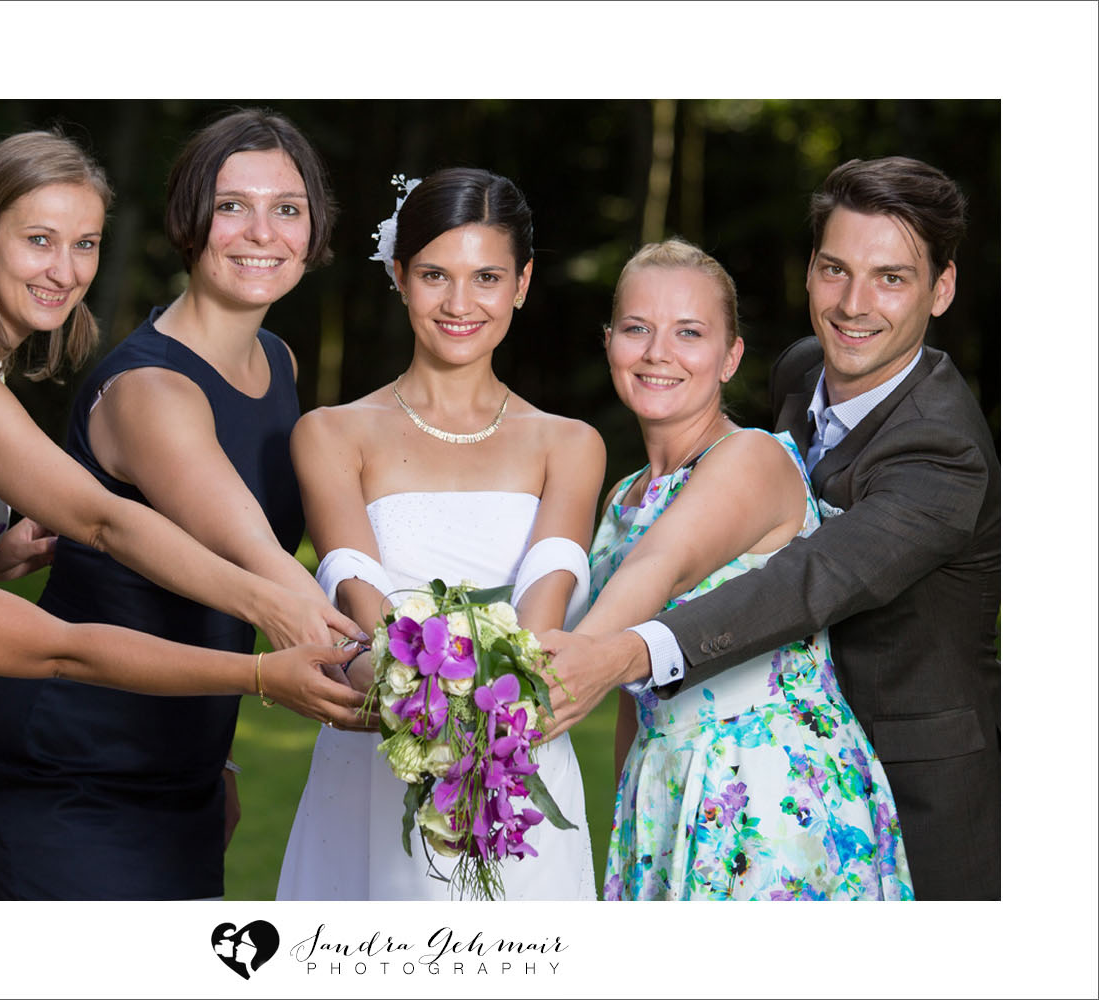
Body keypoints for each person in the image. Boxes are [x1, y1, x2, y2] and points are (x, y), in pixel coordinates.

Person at [0, 130, 356, 900]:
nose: (64, 271)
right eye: (38, 241)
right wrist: (283, 610)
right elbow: (101, 521)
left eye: (85, 244)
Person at [544, 157, 999, 900]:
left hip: (909, 791)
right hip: (723, 767)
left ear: (940, 289)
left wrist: (623, 651)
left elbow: (805, 581)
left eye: (892, 277)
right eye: (835, 269)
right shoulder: (801, 372)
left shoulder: (944, 452)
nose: (855, 304)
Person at [276, 168, 606, 900]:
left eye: (487, 276)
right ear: (398, 276)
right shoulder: (331, 432)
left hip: (517, 740)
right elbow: (350, 574)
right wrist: (416, 709)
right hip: (383, 733)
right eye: (434, 275)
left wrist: (496, 718)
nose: (461, 304)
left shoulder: (570, 443)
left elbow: (548, 591)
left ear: (521, 284)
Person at [572, 239, 911, 899]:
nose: (657, 352)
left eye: (689, 333)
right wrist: (627, 811)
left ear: (731, 357)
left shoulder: (751, 458)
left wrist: (535, 688)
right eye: (637, 328)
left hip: (765, 789)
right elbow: (628, 696)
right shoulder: (624, 497)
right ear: (609, 341)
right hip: (661, 786)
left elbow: (662, 568)